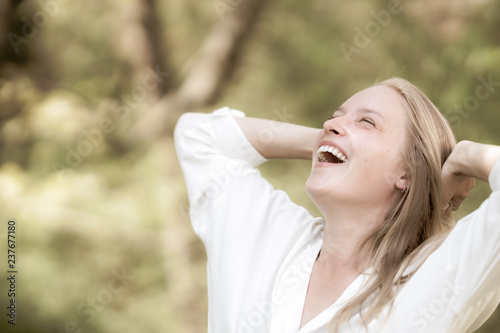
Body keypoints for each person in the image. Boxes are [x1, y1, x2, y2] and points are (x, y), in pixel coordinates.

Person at [174, 77, 500, 333]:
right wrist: (328, 142)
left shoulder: (435, 276)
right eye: (335, 117)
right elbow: (199, 137)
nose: (331, 123)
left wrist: (469, 155)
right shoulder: (269, 236)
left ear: (409, 171)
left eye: (367, 122)